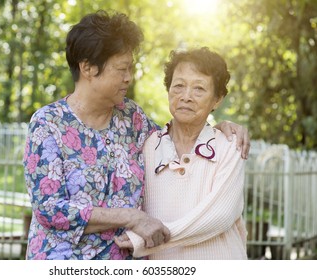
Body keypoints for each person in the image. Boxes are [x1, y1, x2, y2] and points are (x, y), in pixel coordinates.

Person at [22, 10, 250, 260]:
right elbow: (49, 209)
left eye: (130, 68)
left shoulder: (132, 118)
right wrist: (130, 217)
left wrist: (217, 127)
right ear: (88, 68)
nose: (129, 77)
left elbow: (179, 134)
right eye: (122, 69)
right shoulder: (48, 124)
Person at [115, 47, 248, 259]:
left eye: (199, 89)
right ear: (168, 90)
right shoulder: (147, 145)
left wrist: (147, 240)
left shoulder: (230, 146)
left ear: (217, 99)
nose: (186, 97)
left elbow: (220, 216)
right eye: (178, 86)